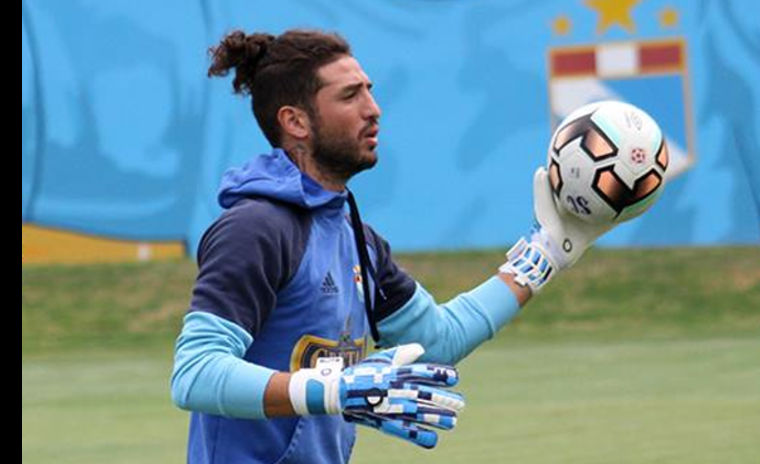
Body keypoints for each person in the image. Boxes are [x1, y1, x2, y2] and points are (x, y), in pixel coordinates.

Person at [170, 28, 612, 464]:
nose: (373, 109)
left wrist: (545, 254)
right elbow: (195, 373)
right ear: (296, 122)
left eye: (369, 91)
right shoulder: (255, 228)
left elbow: (438, 339)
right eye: (350, 96)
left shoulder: (354, 237)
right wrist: (332, 390)